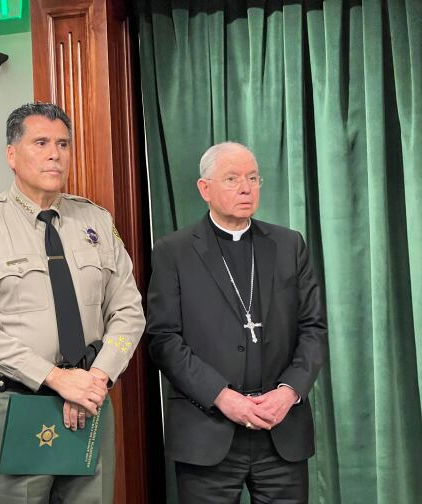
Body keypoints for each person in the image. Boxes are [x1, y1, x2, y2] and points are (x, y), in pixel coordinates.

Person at [0, 102, 145, 503]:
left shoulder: (97, 222)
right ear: (11, 155)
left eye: (63, 143)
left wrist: (98, 377)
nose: (55, 153)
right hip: (20, 402)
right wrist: (55, 378)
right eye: (41, 142)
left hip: (90, 401)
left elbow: (129, 312)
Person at [146, 142, 327, 503]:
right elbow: (163, 339)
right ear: (205, 189)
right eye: (232, 179)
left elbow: (313, 328)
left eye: (253, 178)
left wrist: (288, 393)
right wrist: (222, 396)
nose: (246, 188)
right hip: (207, 431)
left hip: (281, 431)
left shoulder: (289, 244)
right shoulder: (174, 252)